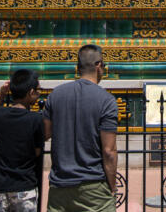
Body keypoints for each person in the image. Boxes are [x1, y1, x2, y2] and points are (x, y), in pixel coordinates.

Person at [43, 44, 119, 212]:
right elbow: (109, 151)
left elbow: (45, 134)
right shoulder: (106, 100)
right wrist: (112, 186)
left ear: (77, 68)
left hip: (60, 185)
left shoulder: (55, 95)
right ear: (99, 66)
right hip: (93, 186)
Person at [0, 69, 45, 212]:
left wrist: (1, 94)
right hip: (24, 185)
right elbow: (37, 151)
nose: (39, 94)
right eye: (38, 91)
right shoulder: (36, 119)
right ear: (31, 92)